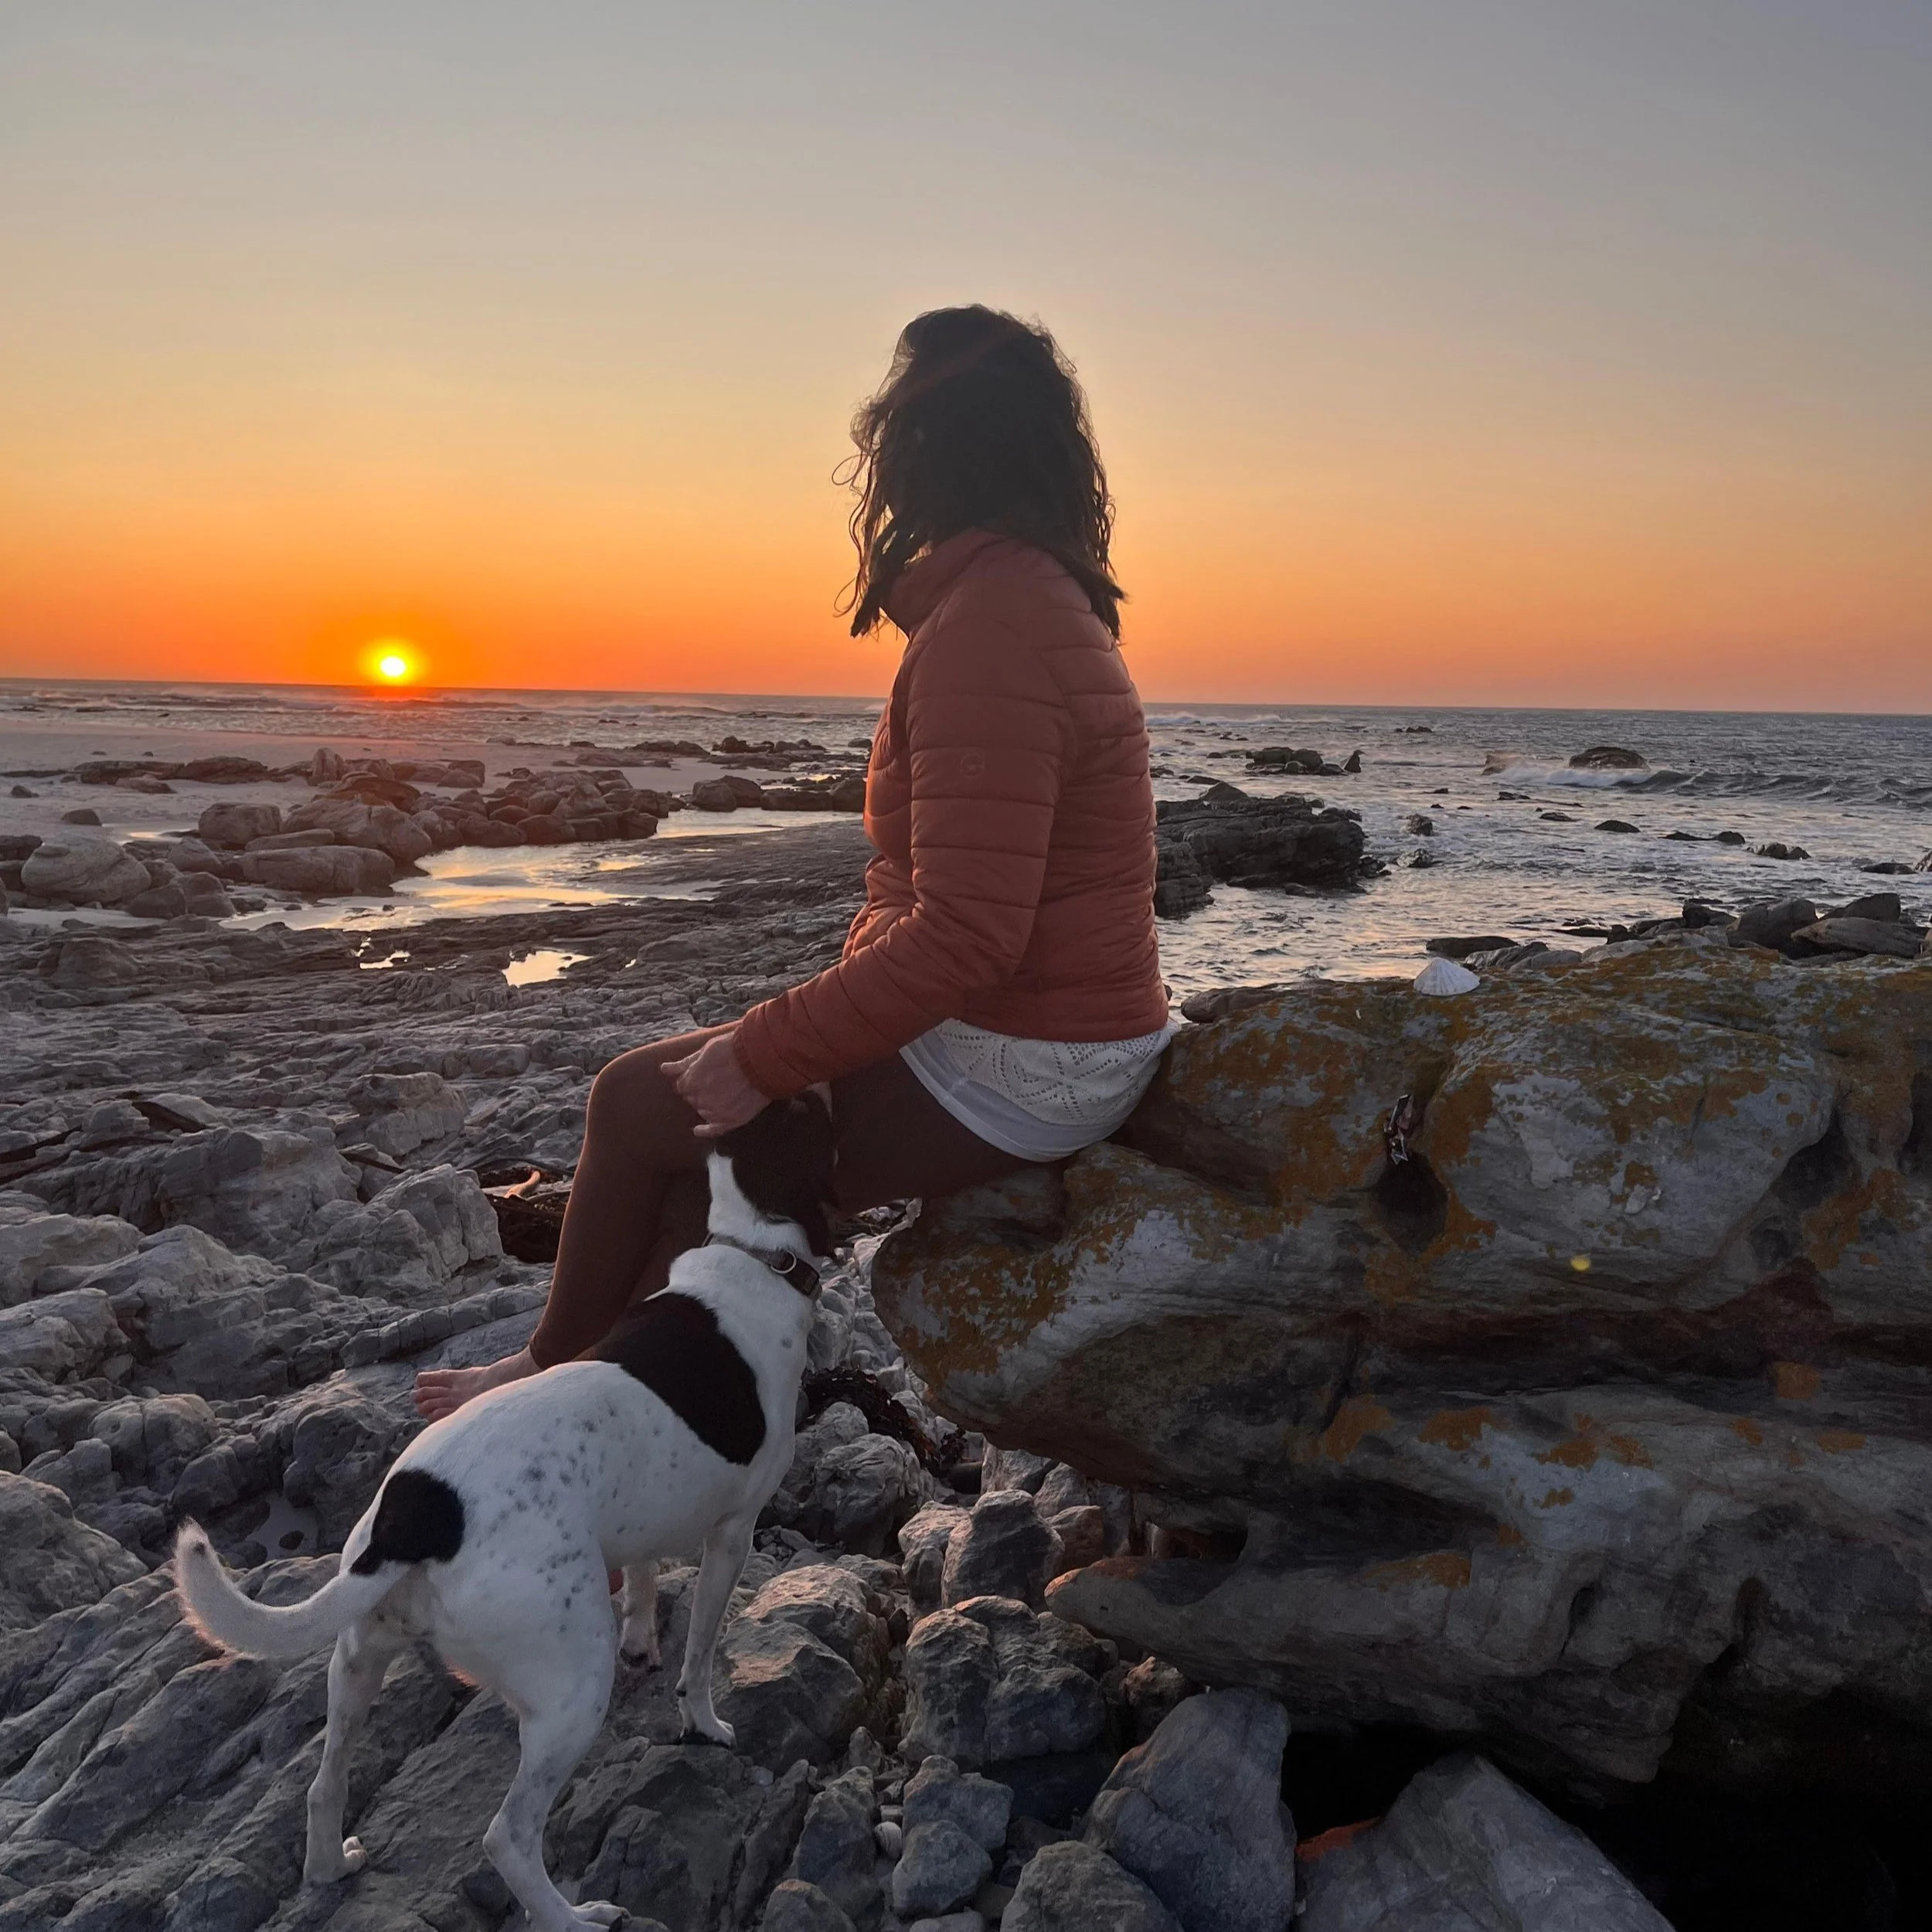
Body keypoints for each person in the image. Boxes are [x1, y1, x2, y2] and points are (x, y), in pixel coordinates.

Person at [415, 305, 1172, 1422]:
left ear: (925, 449)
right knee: (696, 1170)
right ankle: (604, 1421)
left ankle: (549, 1381)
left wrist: (768, 1052)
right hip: (1042, 1024)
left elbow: (971, 931)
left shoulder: (994, 625)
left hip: (1033, 1057)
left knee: (634, 1103)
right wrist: (801, 1046)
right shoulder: (1020, 599)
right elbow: (943, 895)